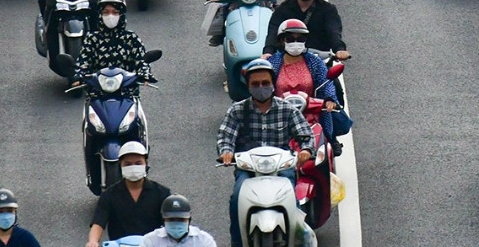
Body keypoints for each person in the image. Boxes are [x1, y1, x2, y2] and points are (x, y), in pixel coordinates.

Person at [217, 59, 314, 247]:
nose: (260, 87)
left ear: (273, 84)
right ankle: (237, 242)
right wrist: (226, 152)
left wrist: (306, 150)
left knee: (293, 199)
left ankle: (299, 239)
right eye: (255, 84)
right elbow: (225, 136)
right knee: (236, 198)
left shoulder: (287, 109)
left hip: (282, 167)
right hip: (248, 169)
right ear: (248, 86)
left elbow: (305, 134)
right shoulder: (237, 110)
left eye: (265, 83)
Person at [86, 141, 173, 247]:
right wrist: (93, 241)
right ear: (120, 166)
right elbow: (98, 223)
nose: (133, 167)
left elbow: (172, 222)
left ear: (146, 163)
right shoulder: (109, 195)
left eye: (138, 163)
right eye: (127, 164)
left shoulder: (161, 193)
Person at [266, 19, 340, 143]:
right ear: (282, 40)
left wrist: (329, 99)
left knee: (324, 146)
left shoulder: (315, 62)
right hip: (278, 117)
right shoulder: (272, 64)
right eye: (290, 39)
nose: (296, 43)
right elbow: (263, 86)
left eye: (300, 39)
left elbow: (326, 82)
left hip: (311, 116)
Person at [72, 0, 158, 97]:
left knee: (138, 114)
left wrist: (145, 74)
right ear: (100, 14)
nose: (110, 16)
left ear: (121, 14)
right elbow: (83, 62)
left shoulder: (131, 38)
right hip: (97, 95)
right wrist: (79, 76)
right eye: (106, 12)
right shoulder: (92, 39)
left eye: (115, 12)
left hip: (127, 94)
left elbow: (141, 61)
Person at [264, 0, 347, 61]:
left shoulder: (328, 9)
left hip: (320, 62)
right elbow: (273, 33)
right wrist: (268, 52)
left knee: (331, 75)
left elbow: (334, 32)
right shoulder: (283, 9)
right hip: (287, 62)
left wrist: (340, 49)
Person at [138, 194, 218, 247]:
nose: (176, 223)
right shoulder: (150, 241)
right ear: (164, 220)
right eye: (171, 219)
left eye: (181, 219)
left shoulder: (204, 241)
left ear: (189, 220)